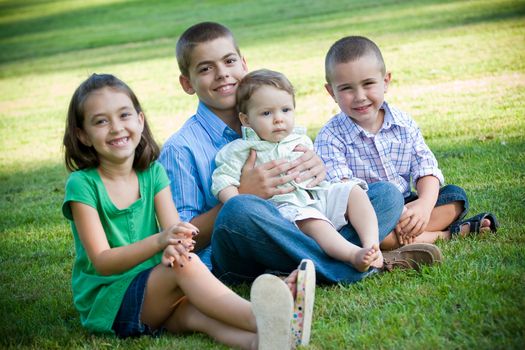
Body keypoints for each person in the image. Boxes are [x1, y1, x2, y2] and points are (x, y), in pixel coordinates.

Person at [159, 22, 440, 286]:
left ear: (244, 64)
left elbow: (319, 189)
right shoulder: (181, 148)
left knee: (386, 194)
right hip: (243, 250)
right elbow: (184, 240)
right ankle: (347, 267)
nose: (222, 73)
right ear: (187, 83)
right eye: (206, 68)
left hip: (307, 220)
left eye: (229, 61)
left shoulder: (274, 114)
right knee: (240, 209)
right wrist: (245, 194)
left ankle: (342, 259)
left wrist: (318, 169)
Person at [61, 73, 316, 349]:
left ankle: (262, 341)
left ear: (140, 120)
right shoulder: (83, 185)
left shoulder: (152, 173)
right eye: (101, 121)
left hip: (154, 288)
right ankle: (264, 318)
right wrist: (162, 242)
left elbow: (178, 234)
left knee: (197, 315)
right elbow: (103, 261)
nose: (116, 128)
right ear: (83, 135)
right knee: (185, 266)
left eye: (124, 116)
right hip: (110, 303)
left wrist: (175, 245)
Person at [315, 36, 499, 250]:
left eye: (368, 84)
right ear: (331, 92)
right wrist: (395, 215)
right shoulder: (330, 136)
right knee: (363, 232)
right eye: (347, 88)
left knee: (455, 197)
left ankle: (405, 232)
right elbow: (343, 191)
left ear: (385, 82)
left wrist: (423, 206)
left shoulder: (403, 123)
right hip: (368, 212)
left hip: (408, 204)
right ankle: (446, 235)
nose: (360, 96)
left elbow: (425, 169)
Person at [212, 69, 383, 272]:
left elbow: (319, 176)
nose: (278, 119)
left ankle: (371, 245)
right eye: (266, 113)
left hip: (316, 197)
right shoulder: (241, 150)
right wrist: (239, 201)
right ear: (246, 120)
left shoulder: (300, 139)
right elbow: (223, 180)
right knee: (313, 222)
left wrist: (320, 169)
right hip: (284, 213)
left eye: (285, 110)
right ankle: (351, 256)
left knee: (363, 192)